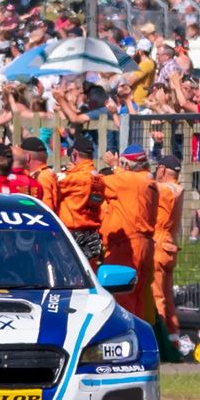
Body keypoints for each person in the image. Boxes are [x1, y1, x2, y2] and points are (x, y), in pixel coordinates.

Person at [99, 146, 158, 320]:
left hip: (128, 245)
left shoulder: (131, 180)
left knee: (122, 296)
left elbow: (98, 184)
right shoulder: (148, 181)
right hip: (146, 245)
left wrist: (113, 167)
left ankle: (127, 337)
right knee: (138, 297)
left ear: (127, 164)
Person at [55, 134, 107, 265]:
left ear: (74, 154)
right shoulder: (101, 178)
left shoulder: (73, 178)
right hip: (93, 236)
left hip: (73, 235)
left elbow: (52, 181)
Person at [151, 153, 185, 348]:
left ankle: (161, 343)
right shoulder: (177, 188)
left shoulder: (165, 189)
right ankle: (174, 341)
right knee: (168, 298)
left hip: (159, 245)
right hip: (170, 246)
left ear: (162, 170)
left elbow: (142, 186)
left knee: (158, 297)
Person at [19, 135, 59, 207]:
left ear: (28, 157)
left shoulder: (43, 177)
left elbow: (46, 208)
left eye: (20, 155)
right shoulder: (41, 174)